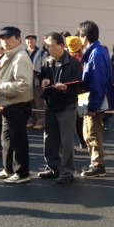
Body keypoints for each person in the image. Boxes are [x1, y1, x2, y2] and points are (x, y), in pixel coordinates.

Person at [0, 26, 34, 184]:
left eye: (9, 38)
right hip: (9, 103)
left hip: (18, 104)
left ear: (18, 39)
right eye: (2, 38)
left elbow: (24, 84)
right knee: (7, 139)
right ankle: (8, 169)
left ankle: (22, 173)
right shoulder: (9, 55)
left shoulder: (20, 57)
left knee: (17, 140)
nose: (5, 41)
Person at [38, 32, 82, 183]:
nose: (49, 49)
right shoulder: (47, 61)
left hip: (67, 105)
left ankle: (67, 172)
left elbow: (79, 86)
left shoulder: (74, 63)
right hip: (51, 104)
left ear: (62, 45)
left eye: (52, 46)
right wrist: (44, 80)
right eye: (47, 46)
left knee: (66, 141)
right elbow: (42, 75)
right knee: (49, 139)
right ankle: (52, 168)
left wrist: (66, 89)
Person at [78, 20, 114, 178]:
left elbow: (98, 81)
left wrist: (93, 106)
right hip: (84, 97)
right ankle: (95, 162)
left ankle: (98, 165)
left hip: (91, 98)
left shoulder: (96, 53)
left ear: (85, 36)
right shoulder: (96, 51)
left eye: (80, 36)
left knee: (92, 131)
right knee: (87, 131)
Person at [25, 34, 47, 130]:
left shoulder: (41, 52)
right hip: (26, 81)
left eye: (32, 39)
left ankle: (41, 121)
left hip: (37, 80)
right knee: (30, 102)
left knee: (39, 102)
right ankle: (32, 120)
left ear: (35, 41)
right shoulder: (24, 53)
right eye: (28, 39)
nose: (30, 41)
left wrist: (38, 74)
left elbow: (44, 65)